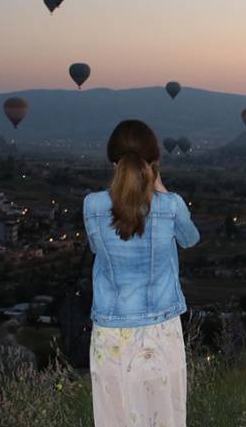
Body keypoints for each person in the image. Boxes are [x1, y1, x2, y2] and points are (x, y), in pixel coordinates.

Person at [83, 119, 200, 427]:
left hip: (111, 332)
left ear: (112, 160)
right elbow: (190, 239)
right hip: (161, 329)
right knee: (165, 417)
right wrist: (160, 188)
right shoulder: (171, 205)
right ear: (155, 162)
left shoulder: (92, 206)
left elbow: (97, 248)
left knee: (115, 417)